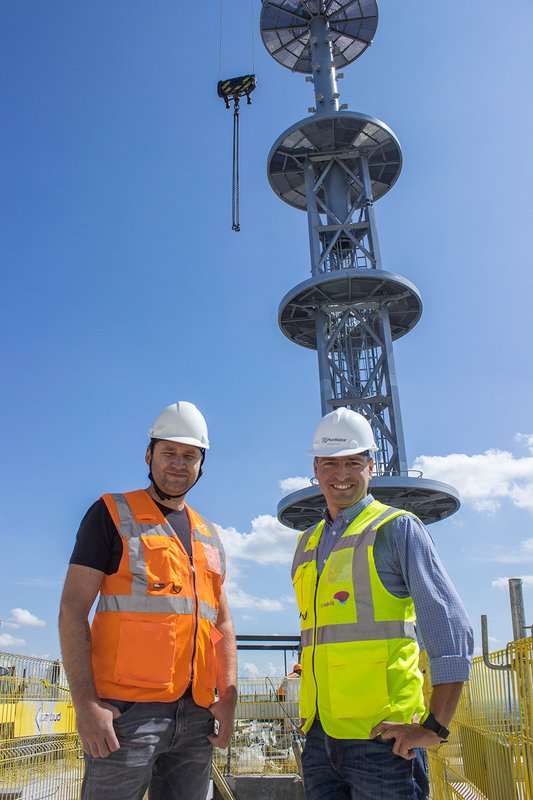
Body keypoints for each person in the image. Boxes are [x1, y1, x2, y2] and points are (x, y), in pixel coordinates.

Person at [291, 408, 473, 800]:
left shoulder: (396, 529)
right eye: (330, 464)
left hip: (384, 742)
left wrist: (435, 728)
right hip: (320, 739)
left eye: (353, 463)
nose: (341, 475)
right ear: (316, 469)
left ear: (371, 467)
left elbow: (450, 631)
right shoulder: (306, 544)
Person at [59, 402, 237, 800]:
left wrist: (228, 697)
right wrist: (87, 706)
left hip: (196, 717)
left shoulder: (208, 533)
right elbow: (72, 609)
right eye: (168, 452)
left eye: (189, 455)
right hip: (125, 716)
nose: (178, 464)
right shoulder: (110, 513)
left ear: (201, 462)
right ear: (148, 455)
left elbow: (221, 625)